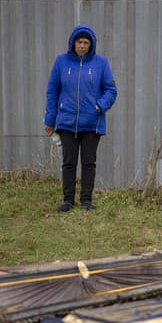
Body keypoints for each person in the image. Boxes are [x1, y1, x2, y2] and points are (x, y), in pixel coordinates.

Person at [44, 24, 118, 212]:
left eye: (86, 42)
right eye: (79, 42)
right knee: (68, 163)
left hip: (92, 123)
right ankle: (68, 200)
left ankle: (86, 200)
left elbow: (110, 90)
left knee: (88, 162)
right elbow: (52, 91)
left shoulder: (101, 63)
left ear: (91, 45)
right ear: (73, 43)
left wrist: (99, 107)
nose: (82, 45)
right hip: (67, 122)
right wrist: (50, 119)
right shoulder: (61, 62)